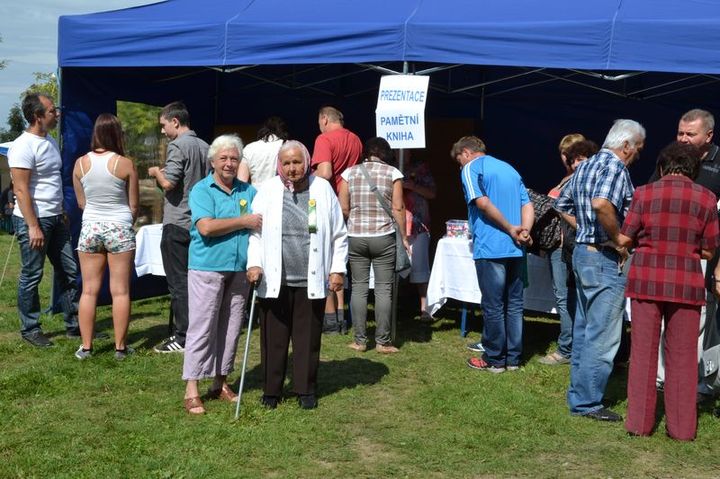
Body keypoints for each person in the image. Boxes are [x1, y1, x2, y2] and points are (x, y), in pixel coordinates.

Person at [617, 142, 719, 440]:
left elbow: (625, 237)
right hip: (686, 283)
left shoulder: (643, 193)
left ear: (662, 167)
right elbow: (710, 250)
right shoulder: (707, 197)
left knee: (644, 353)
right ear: (694, 169)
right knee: (685, 356)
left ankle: (639, 424)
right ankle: (682, 429)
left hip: (646, 280)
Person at [555, 119, 646, 421]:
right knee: (603, 334)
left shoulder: (585, 165)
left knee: (584, 328)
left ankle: (580, 394)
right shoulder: (615, 167)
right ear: (626, 146)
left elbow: (562, 205)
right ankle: (587, 402)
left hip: (583, 253)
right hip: (604, 258)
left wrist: (585, 231)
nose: (637, 157)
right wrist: (618, 237)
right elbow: (601, 203)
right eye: (637, 150)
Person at [247, 140, 347, 409]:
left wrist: (337, 268)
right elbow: (255, 233)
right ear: (280, 165)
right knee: (273, 338)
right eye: (287, 163)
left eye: (297, 162)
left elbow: (339, 234)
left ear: (307, 162)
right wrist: (254, 264)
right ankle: (271, 390)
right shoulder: (267, 189)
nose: (292, 168)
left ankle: (305, 389)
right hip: (275, 279)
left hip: (310, 278)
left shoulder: (322, 189)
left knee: (307, 338)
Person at [181, 134, 261, 415]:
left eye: (234, 158)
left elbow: (260, 224)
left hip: (239, 269)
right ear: (213, 161)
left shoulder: (248, 192)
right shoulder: (202, 190)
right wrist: (243, 221)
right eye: (224, 158)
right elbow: (206, 227)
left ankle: (220, 381)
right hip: (207, 266)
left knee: (231, 328)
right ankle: (191, 387)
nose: (229, 163)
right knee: (202, 327)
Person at [649, 109, 720, 397]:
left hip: (707, 256)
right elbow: (652, 194)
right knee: (668, 317)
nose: (683, 139)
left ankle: (704, 382)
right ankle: (663, 377)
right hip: (669, 255)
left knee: (707, 322)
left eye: (691, 134)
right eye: (680, 132)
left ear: (709, 136)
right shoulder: (669, 159)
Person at [451, 136, 534, 373]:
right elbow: (527, 204)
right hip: (517, 246)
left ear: (466, 153)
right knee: (515, 304)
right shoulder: (509, 168)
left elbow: (482, 203)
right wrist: (524, 231)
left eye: (459, 160)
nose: (460, 166)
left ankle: (495, 359)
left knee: (494, 305)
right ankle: (513, 359)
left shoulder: (470, 168)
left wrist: (510, 228)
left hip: (491, 245)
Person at [8, 93, 81, 347]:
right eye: (52, 111)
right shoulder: (22, 146)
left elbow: (51, 182)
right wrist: (32, 226)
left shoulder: (49, 140)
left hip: (55, 218)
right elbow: (20, 189)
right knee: (32, 275)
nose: (57, 114)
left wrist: (60, 211)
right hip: (34, 220)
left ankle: (74, 325)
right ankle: (30, 329)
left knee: (69, 270)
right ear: (37, 116)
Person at [72, 114, 139, 360]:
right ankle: (120, 348)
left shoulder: (79, 164)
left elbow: (81, 202)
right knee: (120, 291)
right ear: (116, 134)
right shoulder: (125, 163)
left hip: (90, 227)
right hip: (119, 226)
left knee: (88, 290)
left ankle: (86, 347)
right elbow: (134, 205)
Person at [148, 101, 209, 354]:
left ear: (175, 121)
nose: (162, 131)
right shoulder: (206, 146)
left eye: (163, 125)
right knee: (197, 281)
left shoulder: (177, 146)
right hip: (199, 221)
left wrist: (155, 173)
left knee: (178, 283)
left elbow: (170, 183)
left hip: (177, 221)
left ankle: (183, 336)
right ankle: (200, 330)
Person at [339, 137, 406, 353]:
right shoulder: (394, 173)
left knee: (358, 287)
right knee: (383, 288)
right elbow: (398, 208)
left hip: (356, 236)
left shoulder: (349, 173)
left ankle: (359, 341)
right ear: (386, 153)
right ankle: (382, 341)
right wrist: (403, 237)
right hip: (383, 235)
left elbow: (343, 207)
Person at [539, 137, 598, 365]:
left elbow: (565, 209)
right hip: (567, 244)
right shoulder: (574, 178)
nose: (570, 161)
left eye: (576, 157)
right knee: (571, 297)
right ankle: (575, 346)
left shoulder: (579, 179)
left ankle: (567, 348)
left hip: (567, 244)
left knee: (566, 297)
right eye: (569, 156)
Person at [311, 106, 362, 334]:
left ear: (324, 119)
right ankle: (342, 314)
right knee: (340, 259)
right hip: (348, 205)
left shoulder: (323, 139)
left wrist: (307, 180)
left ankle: (330, 318)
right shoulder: (356, 139)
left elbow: (325, 173)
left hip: (328, 204)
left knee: (324, 258)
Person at [398, 149, 436, 320]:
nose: (400, 154)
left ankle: (425, 309)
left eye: (404, 152)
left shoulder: (420, 169)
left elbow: (432, 193)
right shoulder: (390, 168)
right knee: (394, 267)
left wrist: (412, 186)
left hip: (418, 224)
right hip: (397, 224)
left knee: (420, 268)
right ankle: (393, 308)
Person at [237, 116, 289, 187]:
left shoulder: (249, 148)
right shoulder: (287, 146)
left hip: (256, 195)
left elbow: (242, 181)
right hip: (278, 194)